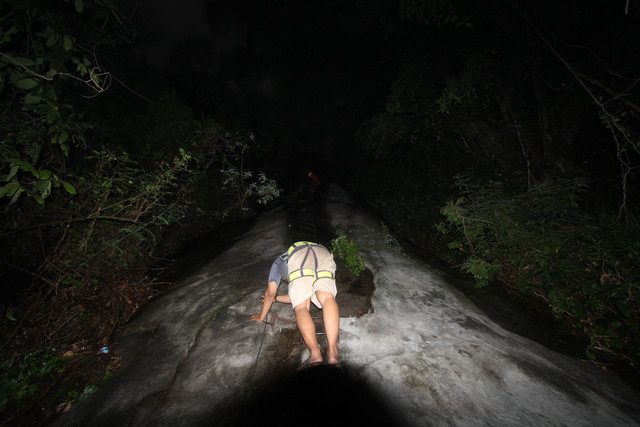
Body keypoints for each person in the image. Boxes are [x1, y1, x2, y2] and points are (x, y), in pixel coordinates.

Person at [251, 241, 340, 367]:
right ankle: (333, 354)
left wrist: (261, 317)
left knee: (301, 306)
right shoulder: (285, 261)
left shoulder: (277, 264)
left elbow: (270, 294)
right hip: (322, 252)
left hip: (299, 256)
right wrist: (277, 299)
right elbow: (291, 296)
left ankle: (315, 354)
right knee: (327, 298)